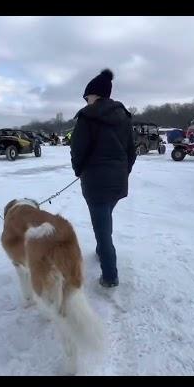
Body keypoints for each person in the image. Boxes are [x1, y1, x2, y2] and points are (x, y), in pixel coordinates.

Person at [70, 69, 136, 288]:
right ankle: (101, 250)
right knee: (105, 218)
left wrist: (78, 170)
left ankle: (109, 275)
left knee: (102, 228)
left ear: (95, 95)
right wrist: (123, 172)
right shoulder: (124, 117)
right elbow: (131, 152)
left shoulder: (87, 116)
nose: (85, 100)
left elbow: (77, 150)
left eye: (87, 96)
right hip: (117, 181)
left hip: (96, 182)